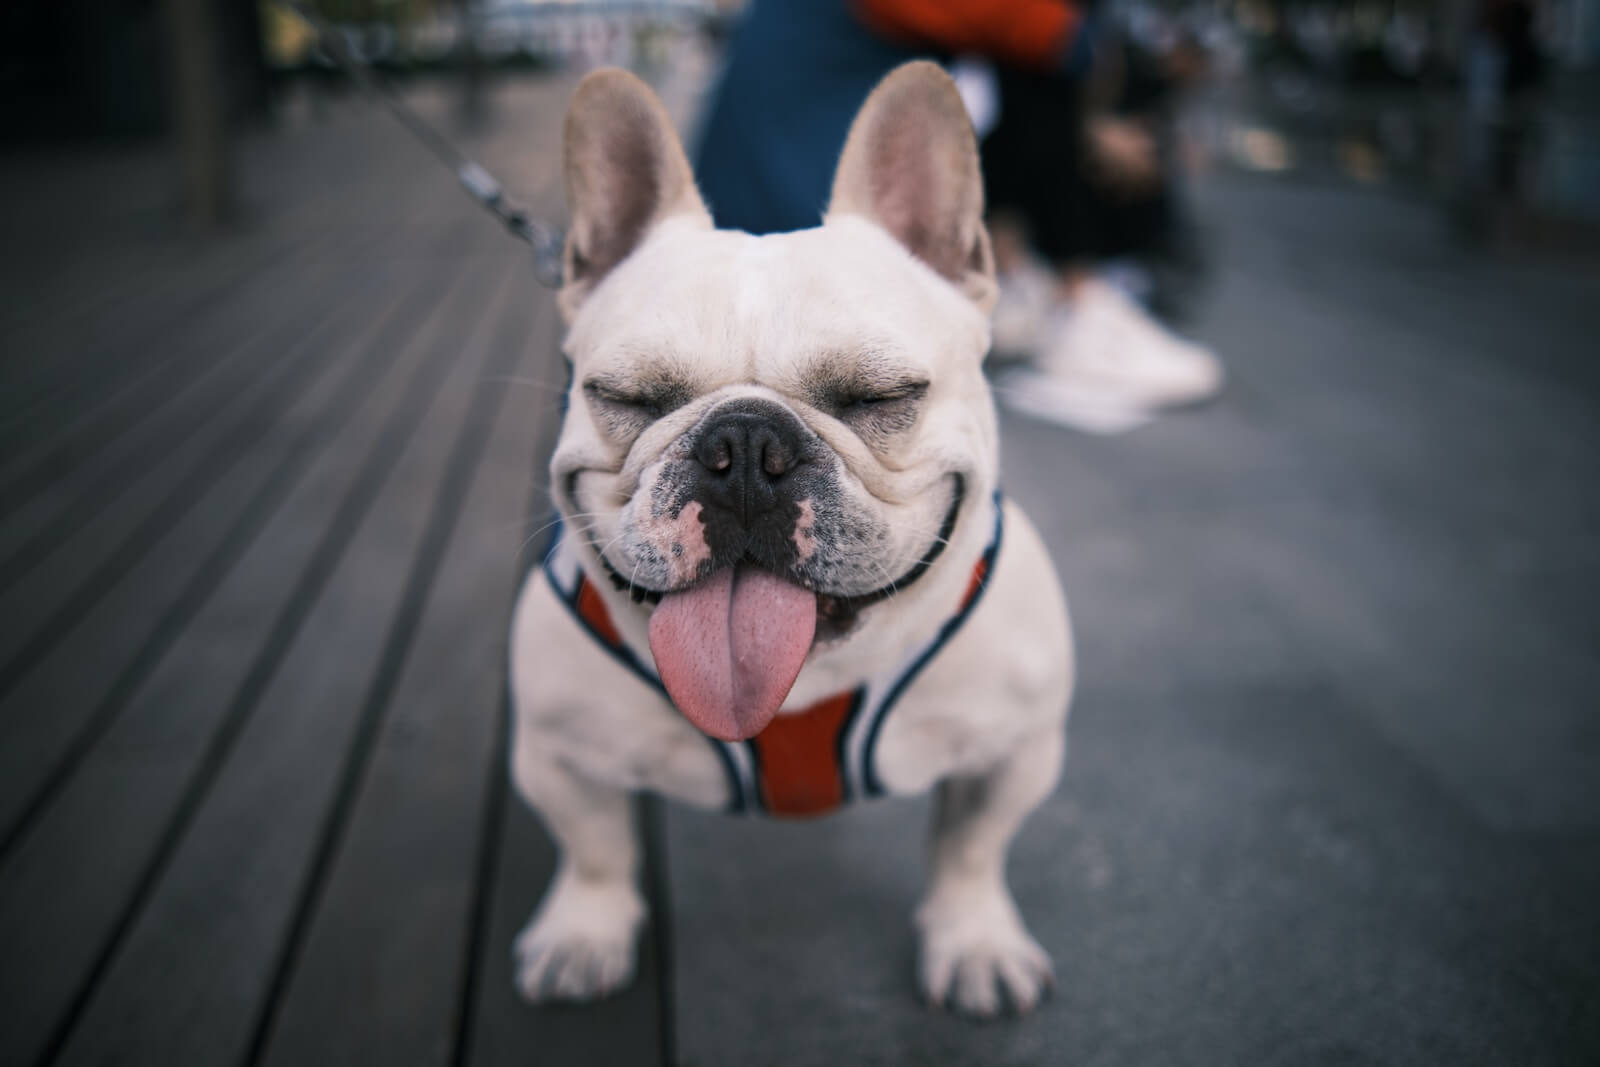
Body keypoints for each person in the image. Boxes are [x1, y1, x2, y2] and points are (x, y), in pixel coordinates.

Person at [693, 0, 1223, 432]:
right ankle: (1076, 303)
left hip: (776, 203)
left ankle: (1028, 282)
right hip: (799, 223)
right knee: (1036, 68)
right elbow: (1046, 34)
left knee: (1015, 82)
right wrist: (1103, 109)